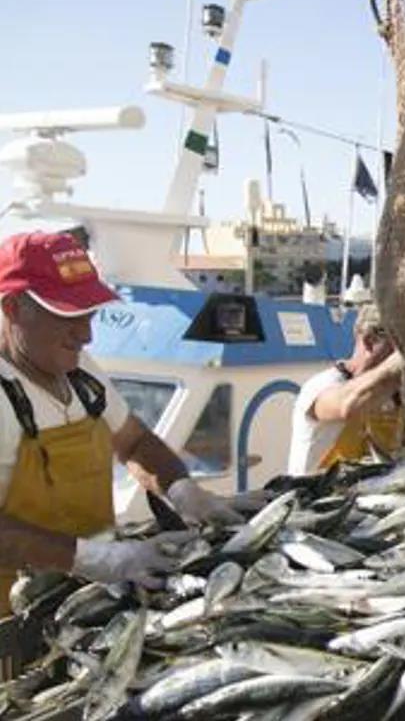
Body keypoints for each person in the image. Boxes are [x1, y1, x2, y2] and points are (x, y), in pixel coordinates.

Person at [0, 231, 240, 611]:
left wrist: (182, 490)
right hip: (14, 615)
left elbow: (133, 442)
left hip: (93, 597)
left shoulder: (78, 371)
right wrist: (93, 558)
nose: (86, 334)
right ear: (13, 308)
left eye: (89, 313)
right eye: (67, 314)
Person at [288, 303, 405, 474]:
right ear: (369, 341)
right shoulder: (322, 386)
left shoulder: (396, 394)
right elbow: (348, 406)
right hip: (314, 495)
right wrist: (399, 361)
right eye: (399, 345)